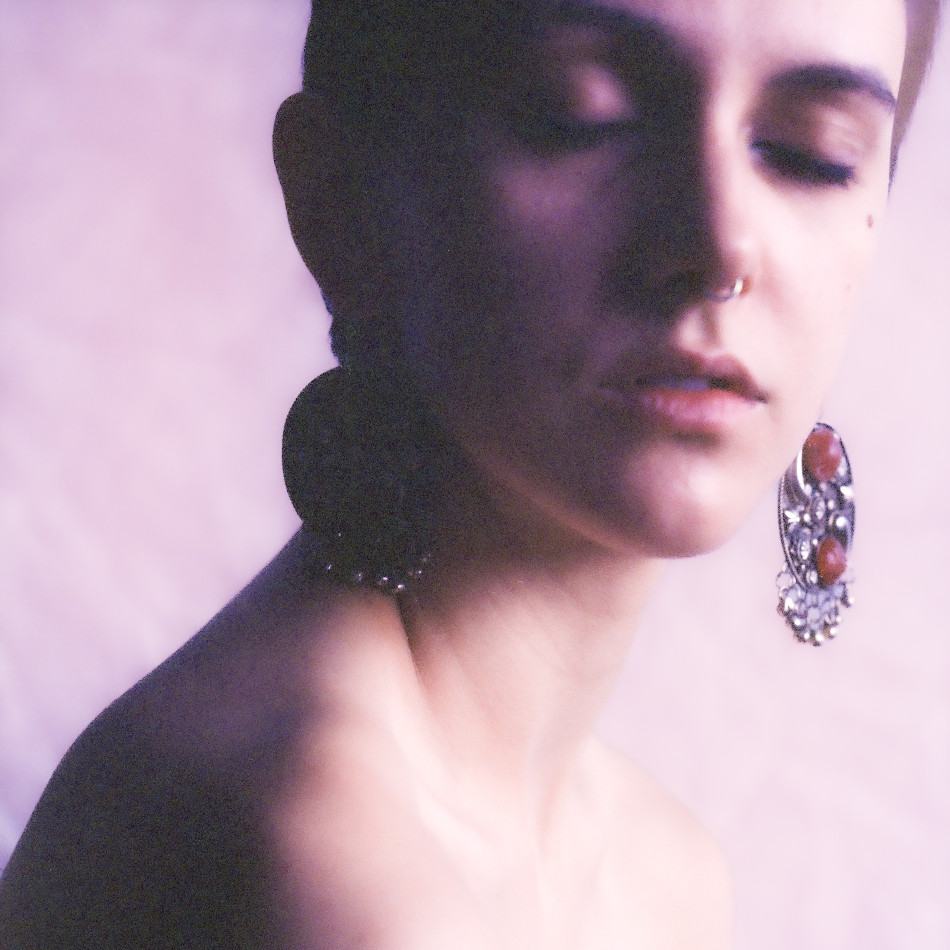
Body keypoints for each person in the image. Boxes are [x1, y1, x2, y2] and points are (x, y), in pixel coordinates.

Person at [0, 0, 942, 947]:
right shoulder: (329, 863)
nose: (721, 243)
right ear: (340, 203)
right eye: (583, 116)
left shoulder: (663, 871)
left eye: (815, 153)